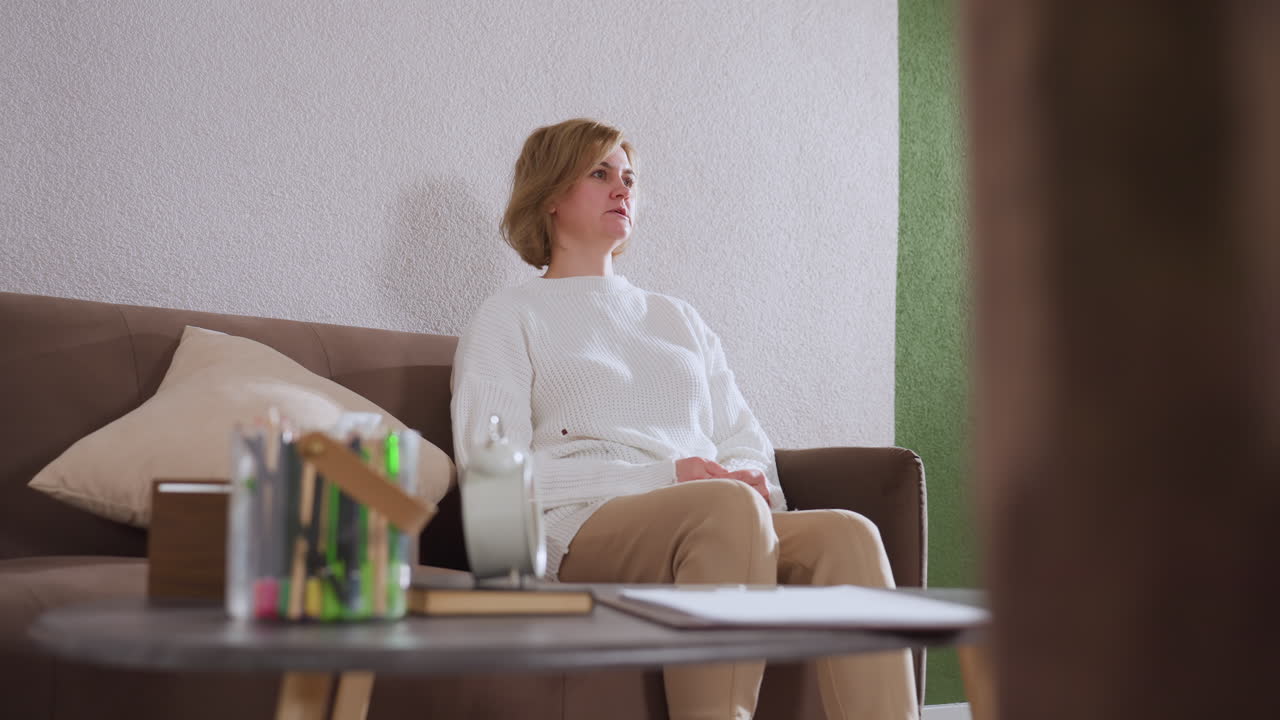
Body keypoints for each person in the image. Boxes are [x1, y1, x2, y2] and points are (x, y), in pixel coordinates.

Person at [450, 118, 918, 720]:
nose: (622, 189)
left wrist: (746, 476)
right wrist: (670, 476)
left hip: (718, 510)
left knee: (848, 533)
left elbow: (744, 437)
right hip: (580, 529)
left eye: (629, 177)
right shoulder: (509, 317)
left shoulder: (677, 319)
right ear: (550, 198)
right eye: (599, 173)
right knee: (726, 508)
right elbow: (490, 478)